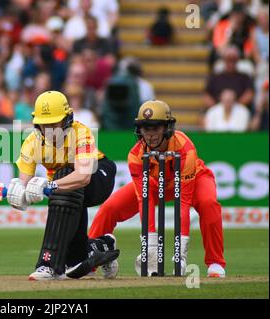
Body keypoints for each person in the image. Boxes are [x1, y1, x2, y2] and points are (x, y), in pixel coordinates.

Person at [89, 100, 226, 278]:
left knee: (209, 204)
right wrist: (150, 248)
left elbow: (182, 203)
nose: (151, 135)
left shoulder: (185, 148)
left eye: (155, 128)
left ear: (167, 128)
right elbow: (144, 202)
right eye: (146, 128)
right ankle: (88, 259)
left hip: (194, 180)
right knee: (109, 208)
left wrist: (180, 254)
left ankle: (215, 262)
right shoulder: (135, 155)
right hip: (155, 183)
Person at [6, 91, 120, 281]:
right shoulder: (32, 142)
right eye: (44, 124)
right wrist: (19, 194)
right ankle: (103, 245)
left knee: (65, 175)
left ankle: (48, 264)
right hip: (66, 192)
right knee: (76, 258)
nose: (49, 130)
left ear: (67, 119)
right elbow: (24, 183)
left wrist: (48, 185)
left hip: (98, 177)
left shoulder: (80, 132)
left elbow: (83, 177)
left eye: (54, 124)